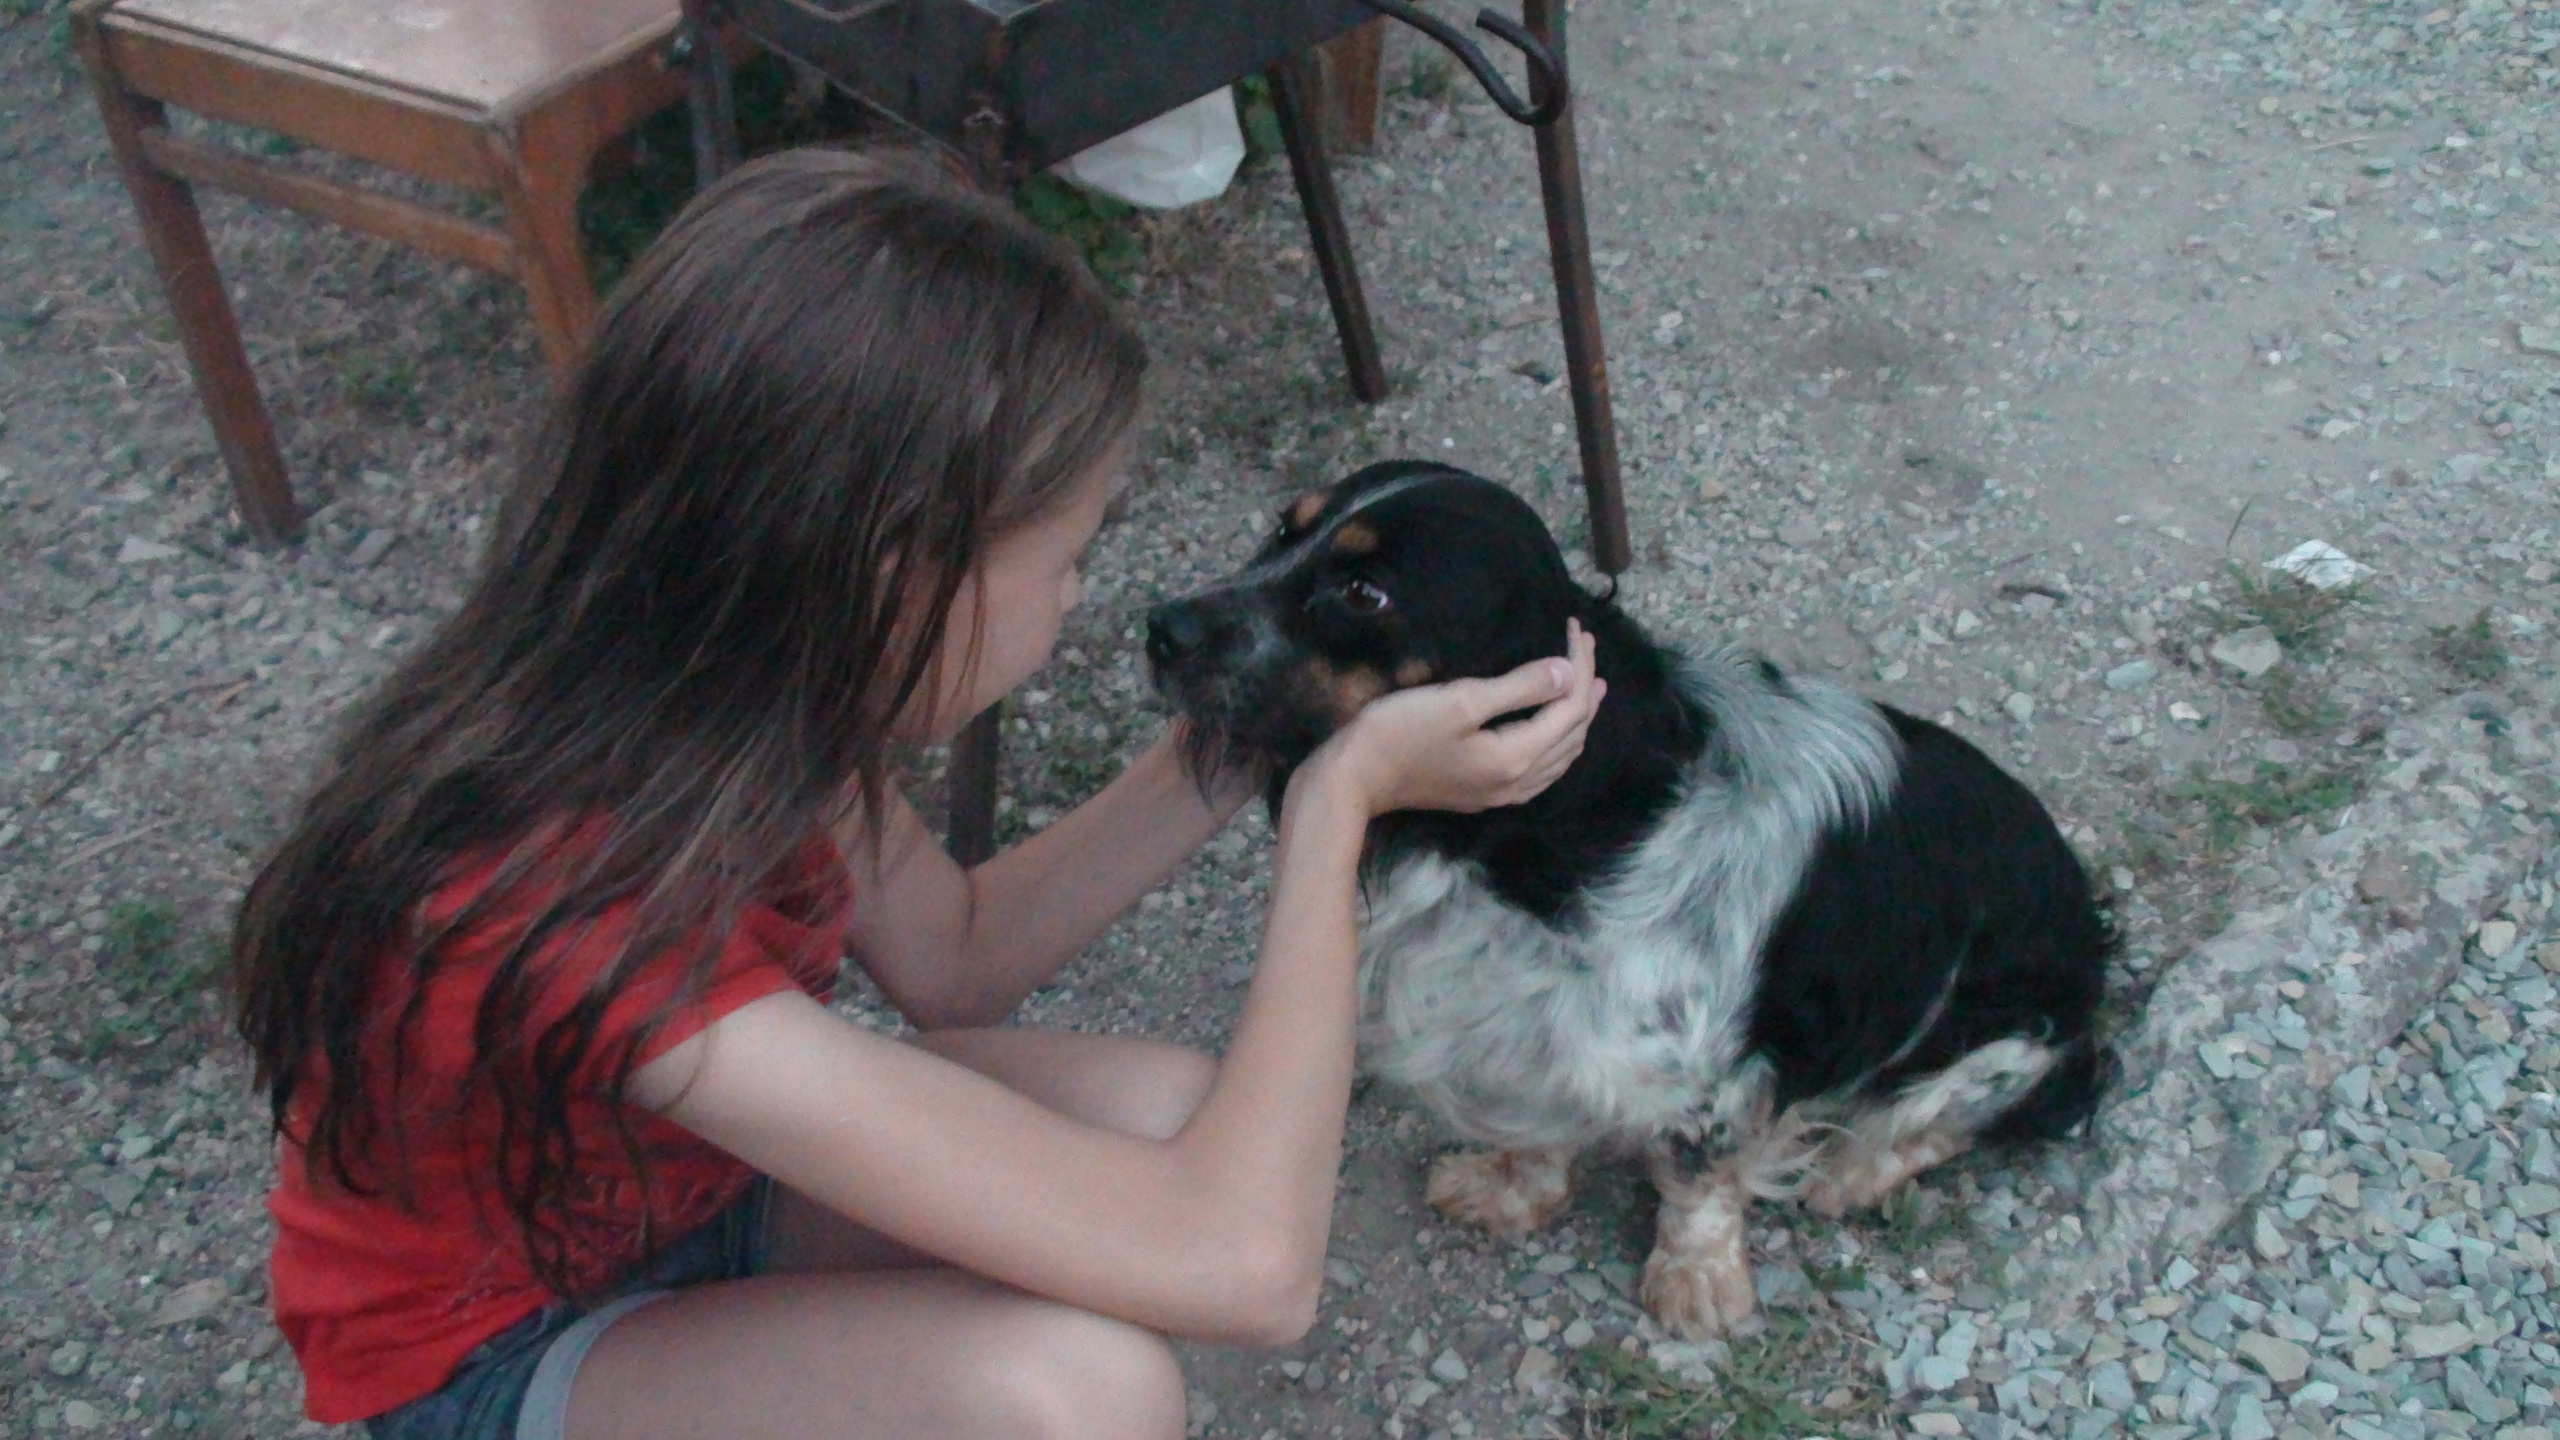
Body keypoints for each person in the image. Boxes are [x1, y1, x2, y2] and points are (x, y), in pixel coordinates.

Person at [229, 147, 1604, 1440]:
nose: (1077, 602)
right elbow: (1248, 1268)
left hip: (686, 1182)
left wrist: (1269, 724)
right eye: (1067, 557)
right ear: (897, 567)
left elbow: (957, 957)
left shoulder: (723, 681)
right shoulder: (573, 904)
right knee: (1077, 1393)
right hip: (500, 1346)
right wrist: (1337, 806)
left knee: (1183, 1121)